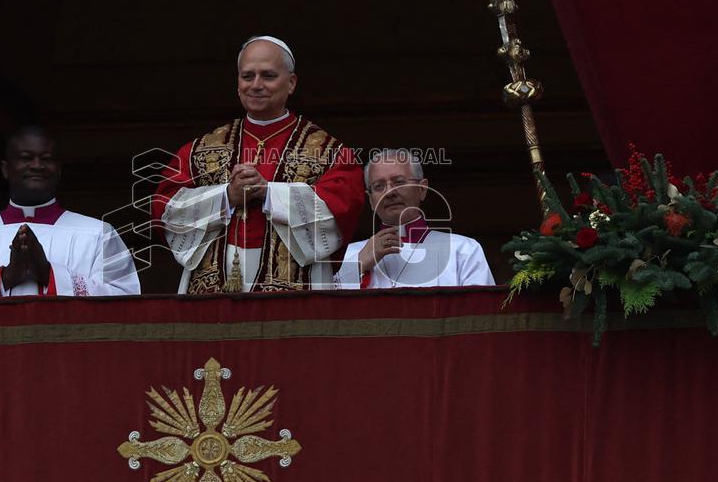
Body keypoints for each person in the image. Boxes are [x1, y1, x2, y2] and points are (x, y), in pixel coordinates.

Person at [152, 36, 365, 293]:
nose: (256, 85)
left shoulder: (329, 152)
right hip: (213, 285)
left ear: (291, 83)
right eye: (247, 76)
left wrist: (268, 193)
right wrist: (226, 196)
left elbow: (342, 208)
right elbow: (164, 209)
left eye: (268, 76)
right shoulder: (198, 150)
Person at [0, 126, 140, 299]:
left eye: (46, 159)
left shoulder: (99, 234)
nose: (37, 165)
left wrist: (48, 274)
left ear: (59, 169)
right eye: (26, 157)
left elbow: (125, 300)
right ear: (6, 169)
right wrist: (4, 277)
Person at [334, 149, 495, 289]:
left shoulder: (463, 250)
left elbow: (481, 315)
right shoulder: (345, 257)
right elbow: (323, 313)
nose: (390, 192)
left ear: (422, 189)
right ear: (370, 200)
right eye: (378, 186)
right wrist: (357, 266)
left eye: (399, 182)